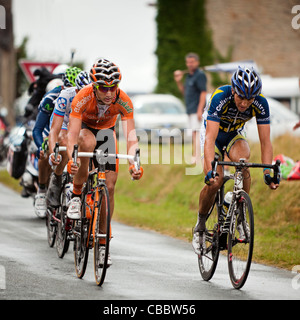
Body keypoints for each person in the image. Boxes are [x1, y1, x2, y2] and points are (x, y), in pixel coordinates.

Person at [192, 66, 280, 255]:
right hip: (212, 134)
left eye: (250, 99)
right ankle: (200, 224)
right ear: (233, 91)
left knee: (243, 162)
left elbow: (265, 142)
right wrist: (209, 170)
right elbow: (209, 139)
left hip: (234, 134)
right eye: (241, 97)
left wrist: (267, 172)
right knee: (215, 180)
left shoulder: (261, 103)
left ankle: (240, 215)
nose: (245, 103)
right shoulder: (219, 97)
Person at [66, 58, 143, 266]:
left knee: (109, 186)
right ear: (94, 86)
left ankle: (102, 243)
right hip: (86, 130)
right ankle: (76, 193)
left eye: (113, 87)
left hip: (107, 133)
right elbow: (72, 133)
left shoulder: (123, 100)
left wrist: (135, 163)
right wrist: (72, 157)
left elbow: (131, 137)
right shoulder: (82, 97)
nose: (109, 93)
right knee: (86, 141)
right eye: (103, 88)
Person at [32, 66, 82, 218]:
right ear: (63, 86)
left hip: (71, 132)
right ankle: (41, 191)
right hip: (51, 131)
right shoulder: (51, 98)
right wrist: (42, 146)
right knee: (45, 151)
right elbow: (37, 129)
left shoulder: (85, 97)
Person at [46, 71, 91, 207]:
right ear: (76, 89)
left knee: (87, 143)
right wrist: (54, 151)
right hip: (65, 122)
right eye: (80, 92)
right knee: (64, 141)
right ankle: (57, 177)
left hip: (82, 122)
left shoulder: (94, 97)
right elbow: (54, 130)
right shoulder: (65, 96)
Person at [174, 52, 207, 164]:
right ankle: (196, 155)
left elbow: (203, 93)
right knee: (193, 133)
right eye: (188, 62)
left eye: (192, 62)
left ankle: (197, 157)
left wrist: (199, 110)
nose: (190, 64)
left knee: (197, 133)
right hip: (190, 109)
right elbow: (185, 92)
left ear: (197, 62)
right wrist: (179, 82)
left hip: (196, 110)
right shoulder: (188, 76)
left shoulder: (200, 75)